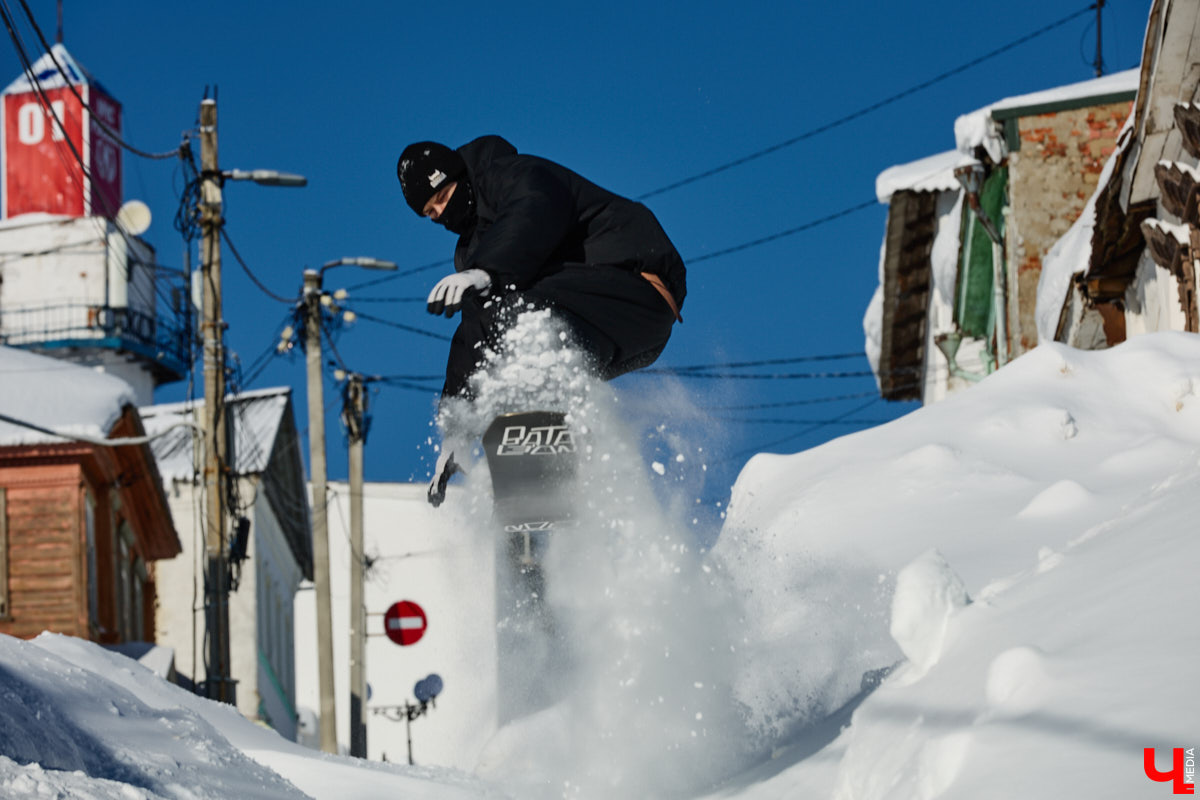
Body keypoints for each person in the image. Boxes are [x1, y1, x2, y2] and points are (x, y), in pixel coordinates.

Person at [397, 135, 686, 504]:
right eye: (430, 214)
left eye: (442, 198)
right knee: (502, 347)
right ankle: (545, 497)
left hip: (638, 288)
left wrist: (487, 271)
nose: (440, 214)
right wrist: (456, 431)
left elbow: (533, 211)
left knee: (516, 315)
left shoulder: (514, 175)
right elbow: (473, 332)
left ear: (458, 177)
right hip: (604, 334)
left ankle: (540, 451)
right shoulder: (474, 251)